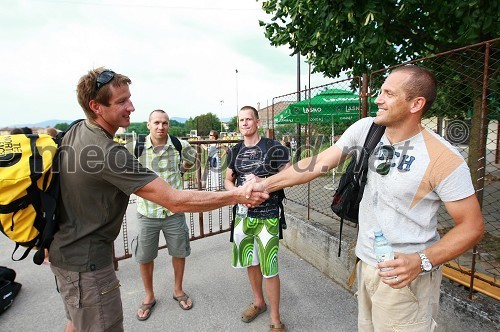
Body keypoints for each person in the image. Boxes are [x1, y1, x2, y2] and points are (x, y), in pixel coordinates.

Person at [251, 65, 484, 331]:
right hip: (366, 263)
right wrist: (264, 184)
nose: (377, 99)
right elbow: (317, 163)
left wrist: (421, 261)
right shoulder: (368, 129)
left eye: (389, 93)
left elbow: (472, 226)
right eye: (380, 91)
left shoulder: (443, 158)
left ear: (416, 104)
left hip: (405, 276)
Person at [48, 67, 268, 332]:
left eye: (129, 98)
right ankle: (150, 294)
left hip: (65, 257)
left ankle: (176, 289)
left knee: (75, 321)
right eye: (121, 101)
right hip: (88, 266)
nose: (131, 106)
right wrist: (236, 195)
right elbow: (174, 200)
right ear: (96, 106)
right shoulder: (109, 152)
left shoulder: (74, 132)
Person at [225, 106, 290, 332]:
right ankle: (258, 302)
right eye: (241, 120)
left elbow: (289, 174)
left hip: (268, 216)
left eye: (248, 119)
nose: (244, 123)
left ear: (257, 122)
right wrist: (237, 194)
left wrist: (264, 180)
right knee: (251, 263)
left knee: (270, 267)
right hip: (243, 217)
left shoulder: (273, 147)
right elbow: (228, 180)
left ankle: (275, 318)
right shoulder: (234, 150)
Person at [134, 109, 196, 320]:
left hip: (173, 211)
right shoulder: (136, 147)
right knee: (145, 256)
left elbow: (191, 159)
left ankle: (178, 290)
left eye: (165, 123)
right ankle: (149, 296)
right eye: (157, 123)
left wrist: (182, 170)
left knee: (178, 252)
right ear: (148, 125)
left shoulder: (179, 145)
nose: (161, 127)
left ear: (169, 125)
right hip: (147, 212)